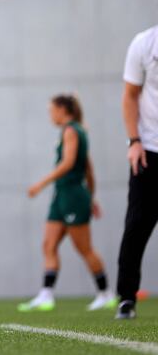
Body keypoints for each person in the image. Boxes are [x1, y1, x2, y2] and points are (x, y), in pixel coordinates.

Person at [18, 94, 114, 312]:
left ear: (63, 109)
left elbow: (69, 163)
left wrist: (41, 183)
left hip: (72, 195)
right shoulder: (74, 132)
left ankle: (106, 293)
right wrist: (91, 196)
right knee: (48, 245)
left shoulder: (72, 131)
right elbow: (89, 169)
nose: (50, 115)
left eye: (52, 110)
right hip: (61, 196)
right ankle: (46, 295)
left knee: (84, 248)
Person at [116, 25, 158, 320]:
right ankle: (126, 298)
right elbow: (130, 94)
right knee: (137, 225)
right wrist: (134, 141)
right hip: (149, 149)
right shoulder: (145, 44)